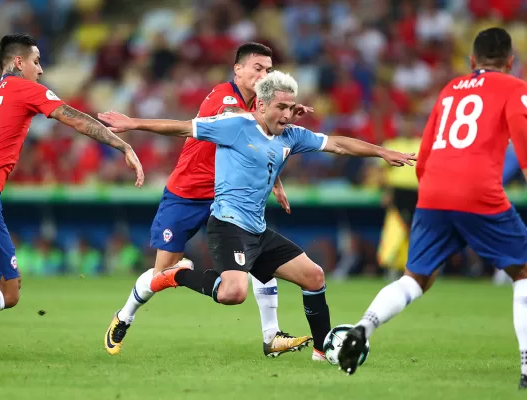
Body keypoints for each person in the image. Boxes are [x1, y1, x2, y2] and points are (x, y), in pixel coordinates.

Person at [98, 70, 416, 360]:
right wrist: (132, 124)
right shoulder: (235, 127)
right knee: (233, 293)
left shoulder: (291, 135)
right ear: (261, 106)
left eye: (291, 107)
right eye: (281, 107)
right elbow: (181, 127)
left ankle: (323, 350)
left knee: (314, 276)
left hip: (258, 231)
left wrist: (381, 151)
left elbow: (338, 145)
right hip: (227, 227)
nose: (287, 114)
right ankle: (176, 275)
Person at [0, 33, 144, 363]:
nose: (40, 70)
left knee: (6, 289)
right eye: (36, 61)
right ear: (18, 63)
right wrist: (123, 145)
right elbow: (73, 118)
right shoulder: (25, 88)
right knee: (5, 294)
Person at [337, 28, 527, 389]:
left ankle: (363, 327)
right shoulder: (515, 88)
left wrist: (433, 195)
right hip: (478, 190)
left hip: (433, 191)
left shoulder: (450, 90)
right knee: (524, 273)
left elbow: (424, 155)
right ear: (510, 62)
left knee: (415, 278)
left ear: (472, 62)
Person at [104, 42, 313, 358]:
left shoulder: (261, 104)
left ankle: (272, 336)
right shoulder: (224, 98)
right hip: (186, 194)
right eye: (258, 68)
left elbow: (261, 145)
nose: (264, 74)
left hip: (226, 197)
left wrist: (275, 181)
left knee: (258, 256)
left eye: (269, 70)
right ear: (238, 70)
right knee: (163, 272)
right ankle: (125, 316)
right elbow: (237, 123)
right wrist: (133, 124)